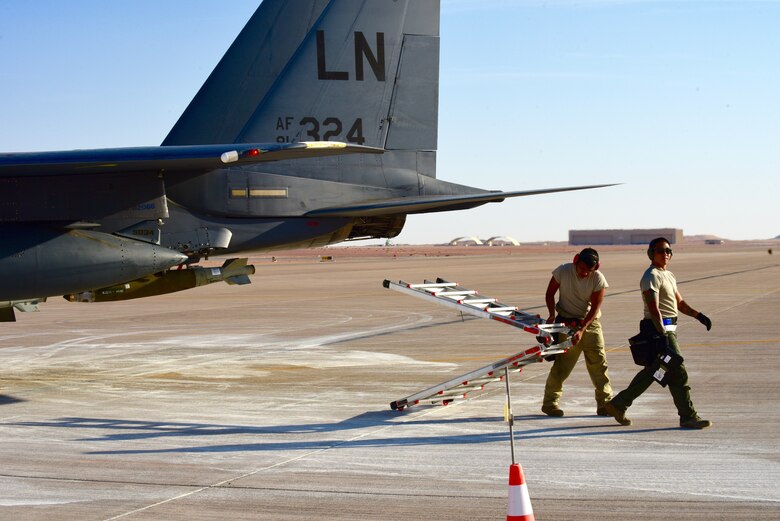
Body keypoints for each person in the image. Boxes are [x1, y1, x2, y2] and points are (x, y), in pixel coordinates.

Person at [605, 238, 713, 429]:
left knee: (657, 372)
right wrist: (663, 334)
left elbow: (679, 304)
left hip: (669, 330)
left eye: (668, 251)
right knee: (678, 372)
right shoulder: (651, 276)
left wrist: (699, 315)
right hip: (658, 331)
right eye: (661, 251)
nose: (666, 254)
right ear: (651, 254)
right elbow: (654, 309)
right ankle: (688, 416)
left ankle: (618, 404)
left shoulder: (669, 275)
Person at [541, 247, 612, 417]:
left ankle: (605, 404)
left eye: (589, 271)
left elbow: (594, 308)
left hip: (590, 325)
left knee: (599, 365)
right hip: (566, 324)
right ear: (575, 261)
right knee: (562, 366)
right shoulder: (563, 271)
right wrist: (551, 315)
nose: (585, 274)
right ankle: (550, 404)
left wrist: (582, 328)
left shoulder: (598, 279)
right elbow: (550, 293)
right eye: (582, 269)